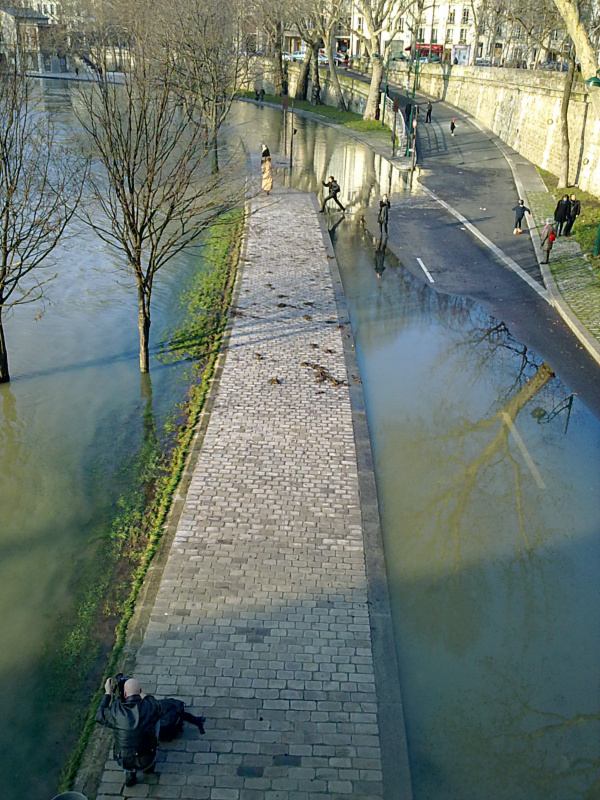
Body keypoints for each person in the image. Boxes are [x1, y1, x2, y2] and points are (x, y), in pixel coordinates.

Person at [96, 677, 205, 788]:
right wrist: (142, 692)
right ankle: (149, 769)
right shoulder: (151, 706)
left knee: (120, 731)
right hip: (147, 757)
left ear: (124, 694)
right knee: (155, 721)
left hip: (125, 760)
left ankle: (130, 776)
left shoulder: (116, 710)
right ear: (139, 692)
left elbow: (99, 716)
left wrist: (108, 693)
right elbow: (155, 704)